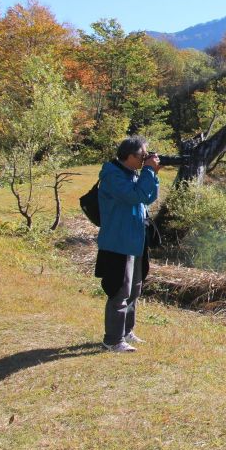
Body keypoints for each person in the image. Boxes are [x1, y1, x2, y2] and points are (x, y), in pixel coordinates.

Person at [95, 136, 161, 353]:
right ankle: (112, 340)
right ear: (130, 156)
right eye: (143, 155)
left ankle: (126, 332)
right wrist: (149, 172)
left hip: (136, 240)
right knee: (119, 292)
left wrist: (153, 174)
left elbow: (148, 197)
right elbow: (136, 197)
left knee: (134, 289)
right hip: (118, 242)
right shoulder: (113, 175)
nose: (145, 159)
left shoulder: (132, 175)